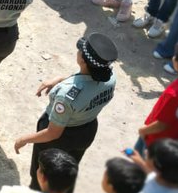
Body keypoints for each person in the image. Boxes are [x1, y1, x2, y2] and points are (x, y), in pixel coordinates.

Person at [16, 34, 119, 184]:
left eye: (80, 50)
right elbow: (86, 81)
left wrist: (24, 139)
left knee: (44, 177)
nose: (78, 51)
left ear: (82, 60)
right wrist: (60, 80)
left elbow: (53, 133)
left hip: (60, 138)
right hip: (87, 131)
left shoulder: (66, 96)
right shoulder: (109, 77)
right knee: (66, 173)